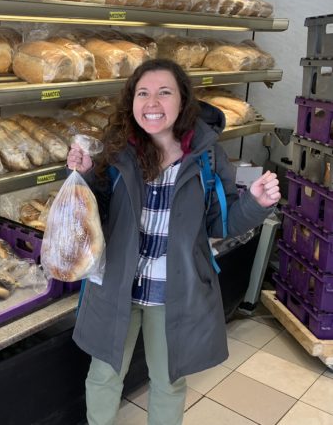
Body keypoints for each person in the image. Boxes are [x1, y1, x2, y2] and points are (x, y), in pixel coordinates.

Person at [67, 58, 280, 425]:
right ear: (131, 101)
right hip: (117, 284)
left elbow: (221, 221)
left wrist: (255, 204)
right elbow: (97, 212)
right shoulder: (118, 149)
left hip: (175, 290)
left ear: (183, 100)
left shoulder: (207, 156)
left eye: (164, 93)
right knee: (103, 376)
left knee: (168, 381)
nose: (152, 103)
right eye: (143, 93)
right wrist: (84, 175)